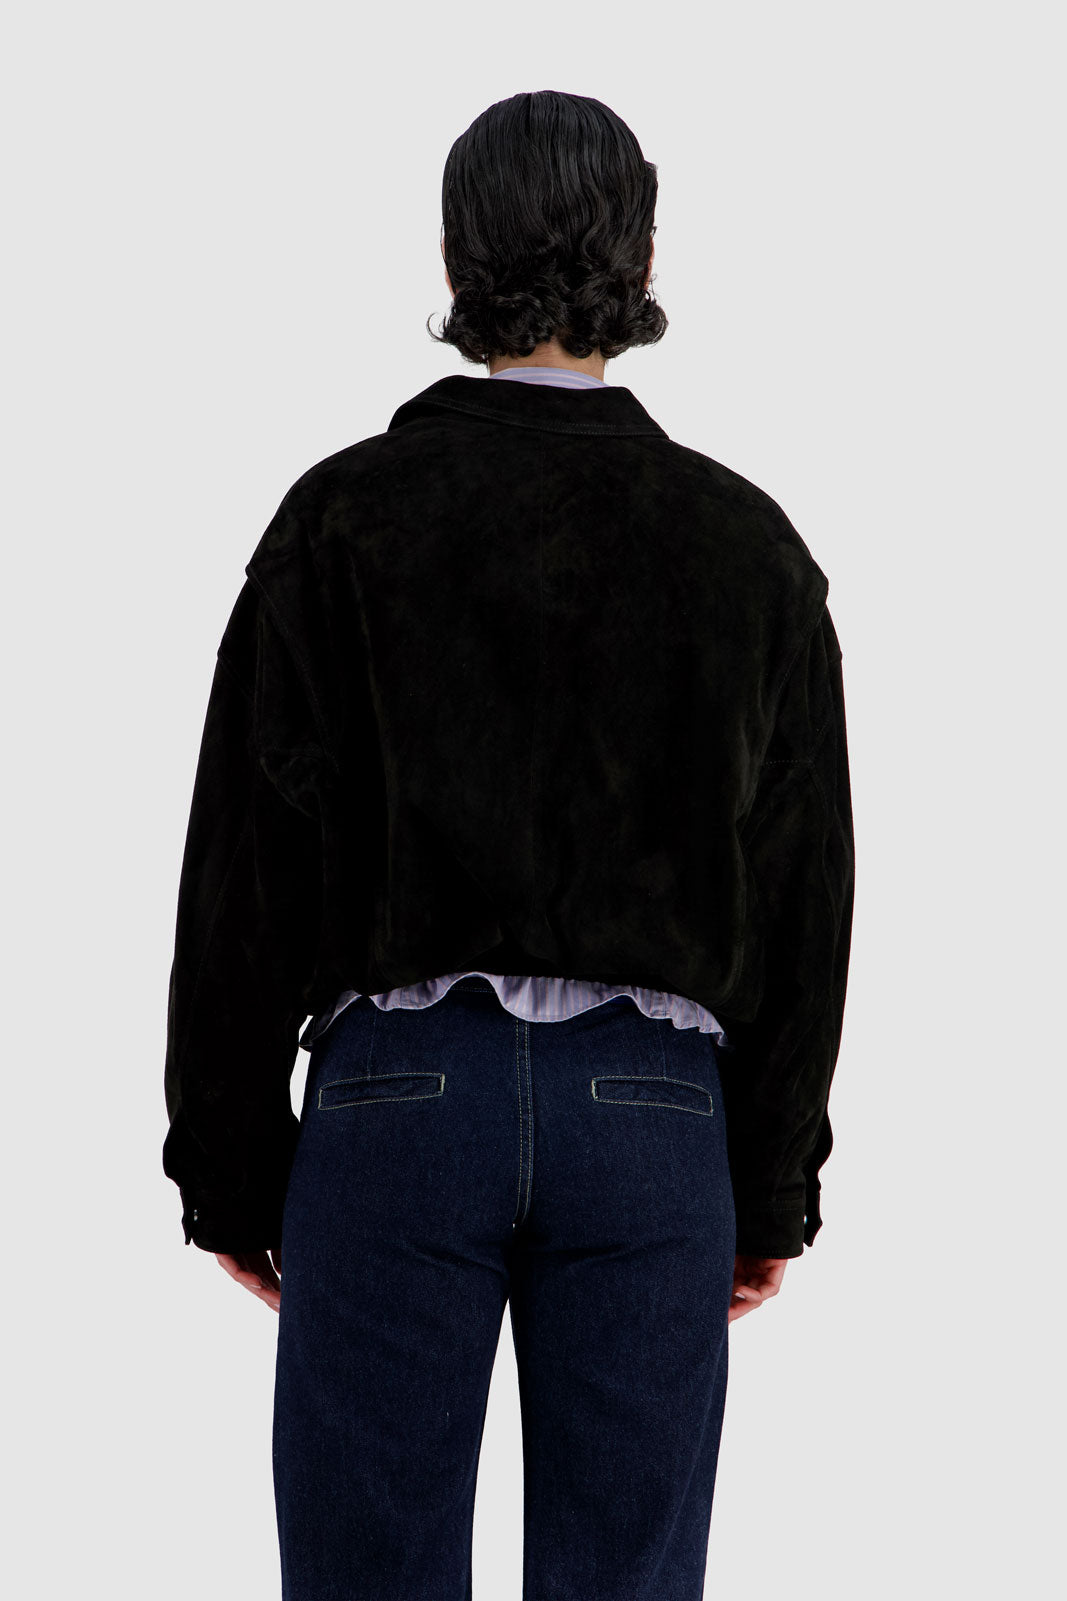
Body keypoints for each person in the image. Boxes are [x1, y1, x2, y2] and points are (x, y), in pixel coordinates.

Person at [162, 89, 855, 1601]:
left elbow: (244, 877)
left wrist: (231, 1166)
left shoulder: (339, 522)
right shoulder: (748, 549)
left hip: (397, 1110)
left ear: (452, 255)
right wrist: (769, 1180)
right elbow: (804, 899)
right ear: (646, 254)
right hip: (650, 1119)